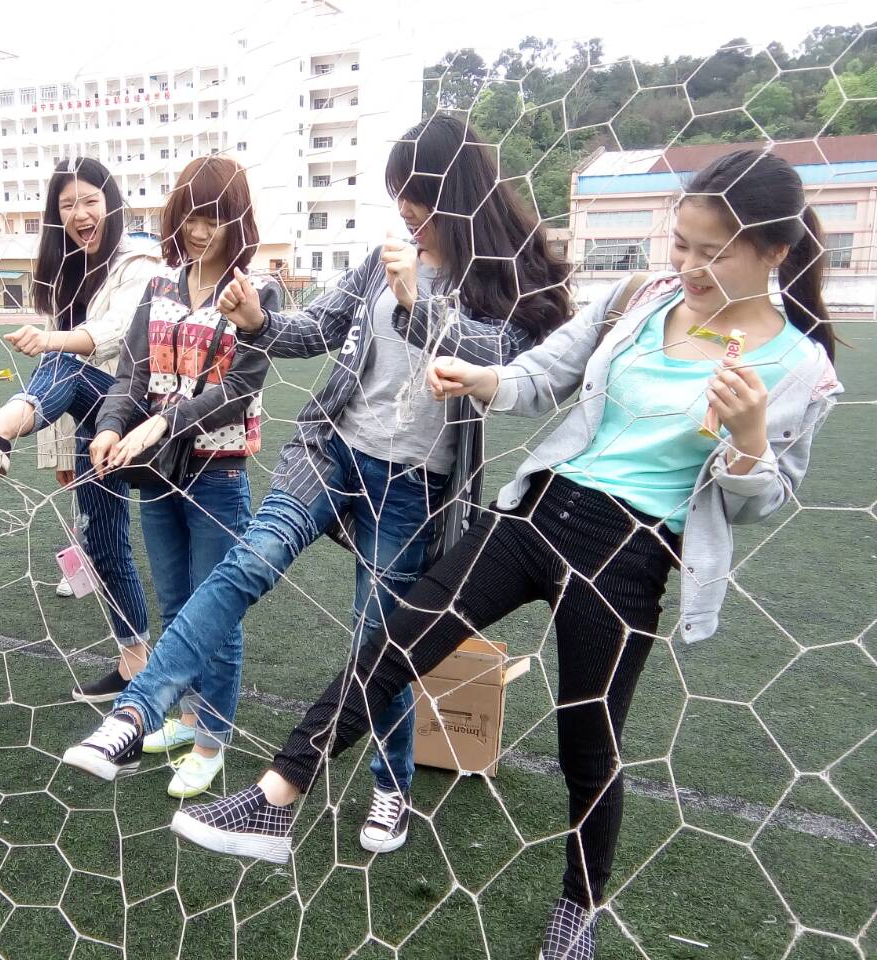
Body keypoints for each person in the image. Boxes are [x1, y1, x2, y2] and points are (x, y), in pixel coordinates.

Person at [171, 149, 843, 959]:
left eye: (714, 252)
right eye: (682, 244)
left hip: (629, 556)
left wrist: (749, 438)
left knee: (588, 742)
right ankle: (276, 798)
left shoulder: (800, 366)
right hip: (539, 511)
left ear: (774, 251)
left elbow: (762, 499)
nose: (690, 267)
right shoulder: (640, 298)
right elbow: (542, 375)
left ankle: (578, 907)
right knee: (397, 640)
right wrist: (479, 379)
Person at [61, 114, 571, 853]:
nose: (405, 210)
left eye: (416, 194)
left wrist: (417, 303)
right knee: (249, 562)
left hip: (414, 484)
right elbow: (316, 330)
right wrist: (258, 319)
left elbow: (502, 366)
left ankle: (392, 788)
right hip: (332, 450)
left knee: (378, 642)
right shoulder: (381, 259)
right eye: (398, 194)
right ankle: (133, 716)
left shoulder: (500, 276)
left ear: (455, 191)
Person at [66, 155, 277, 798]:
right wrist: (110, 425)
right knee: (176, 602)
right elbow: (132, 371)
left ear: (237, 220)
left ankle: (211, 740)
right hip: (157, 474)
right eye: (189, 215)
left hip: (216, 472)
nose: (200, 230)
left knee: (219, 612)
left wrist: (162, 422)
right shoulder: (160, 286)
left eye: (214, 217)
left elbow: (240, 388)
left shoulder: (256, 292)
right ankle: (185, 719)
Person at [0, 158, 160, 700]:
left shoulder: (140, 263)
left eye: (90, 200)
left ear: (112, 204)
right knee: (102, 540)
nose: (80, 213)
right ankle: (135, 663)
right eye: (67, 205)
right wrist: (59, 452)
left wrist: (52, 341)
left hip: (142, 416)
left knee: (64, 360)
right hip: (92, 420)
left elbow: (116, 332)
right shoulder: (68, 273)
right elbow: (64, 377)